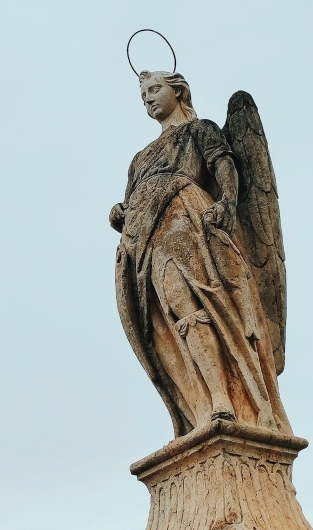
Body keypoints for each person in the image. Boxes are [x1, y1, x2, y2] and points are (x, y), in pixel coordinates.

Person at [112, 70, 290, 437]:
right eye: (142, 93)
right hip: (146, 241)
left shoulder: (200, 130)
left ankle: (224, 400)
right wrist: (119, 212)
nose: (148, 97)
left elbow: (223, 164)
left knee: (196, 307)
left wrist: (227, 200)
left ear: (178, 91)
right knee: (167, 320)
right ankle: (201, 404)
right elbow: (131, 202)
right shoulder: (139, 158)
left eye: (155, 88)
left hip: (186, 224)